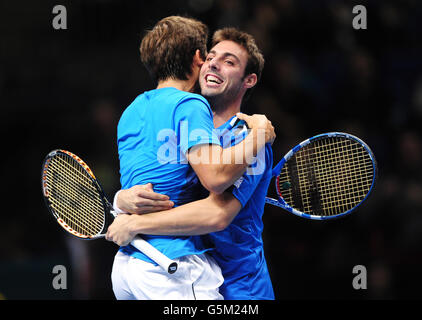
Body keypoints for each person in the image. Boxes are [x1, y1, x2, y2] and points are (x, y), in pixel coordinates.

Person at [106, 16, 275, 300]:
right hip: (184, 270)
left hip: (240, 288)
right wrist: (121, 199)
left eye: (229, 61)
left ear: (249, 80)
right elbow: (159, 185)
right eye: (211, 56)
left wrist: (133, 224)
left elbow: (217, 213)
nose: (213, 64)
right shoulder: (188, 126)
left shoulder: (249, 139)